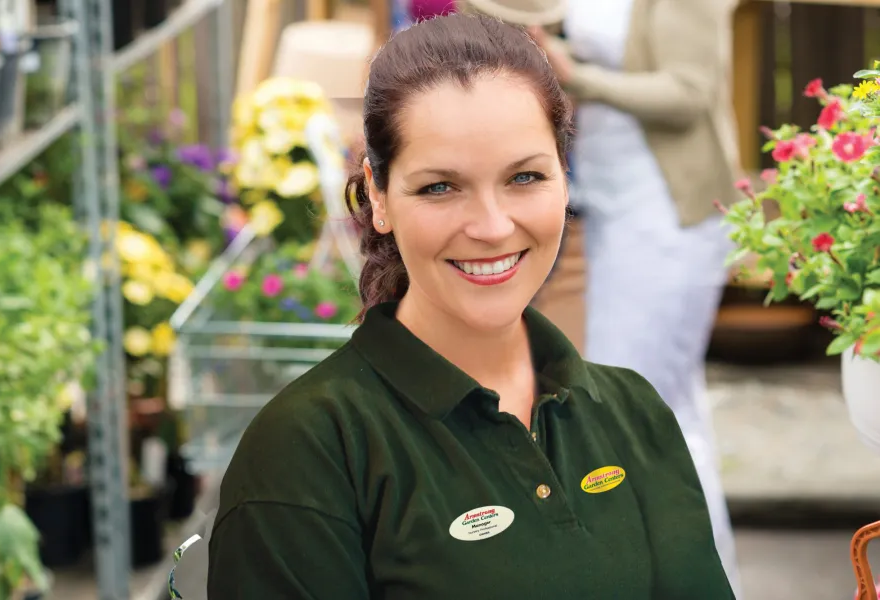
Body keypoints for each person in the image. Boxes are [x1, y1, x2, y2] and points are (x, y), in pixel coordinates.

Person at [208, 13, 735, 599]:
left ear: (565, 176)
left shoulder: (633, 413)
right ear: (379, 196)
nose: (492, 226)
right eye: (440, 187)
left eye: (525, 177)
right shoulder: (309, 452)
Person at [525, 0, 744, 595]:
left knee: (645, 412)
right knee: (665, 408)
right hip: (611, 208)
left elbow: (690, 93)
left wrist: (576, 78)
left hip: (666, 217)